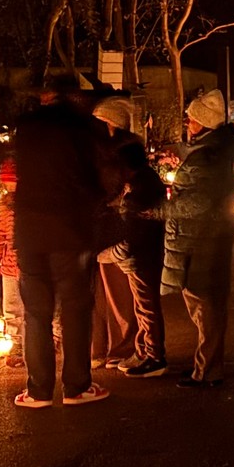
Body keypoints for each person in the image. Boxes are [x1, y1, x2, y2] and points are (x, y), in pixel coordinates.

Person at [11, 76, 109, 409]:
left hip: (29, 230)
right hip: (69, 230)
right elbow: (94, 180)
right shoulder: (81, 129)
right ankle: (76, 386)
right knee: (74, 308)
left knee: (36, 313)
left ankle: (38, 390)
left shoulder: (26, 128)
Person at [163, 90, 234, 387]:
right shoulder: (218, 150)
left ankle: (207, 370)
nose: (188, 123)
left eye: (192, 119)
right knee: (208, 304)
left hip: (201, 240)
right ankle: (206, 365)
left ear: (204, 123)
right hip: (213, 236)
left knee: (203, 304)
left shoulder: (208, 157)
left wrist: (158, 209)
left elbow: (195, 203)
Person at [91, 98, 170, 378]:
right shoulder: (142, 182)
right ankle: (144, 350)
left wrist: (107, 254)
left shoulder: (138, 192)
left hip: (141, 258)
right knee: (141, 306)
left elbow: (133, 237)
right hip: (142, 255)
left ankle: (154, 357)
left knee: (146, 307)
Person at [0, 156, 24, 366]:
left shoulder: (32, 204)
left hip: (29, 262)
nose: (9, 186)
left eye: (12, 181)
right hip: (9, 264)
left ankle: (43, 341)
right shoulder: (4, 207)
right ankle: (16, 343)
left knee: (34, 305)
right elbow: (0, 234)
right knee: (11, 306)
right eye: (6, 182)